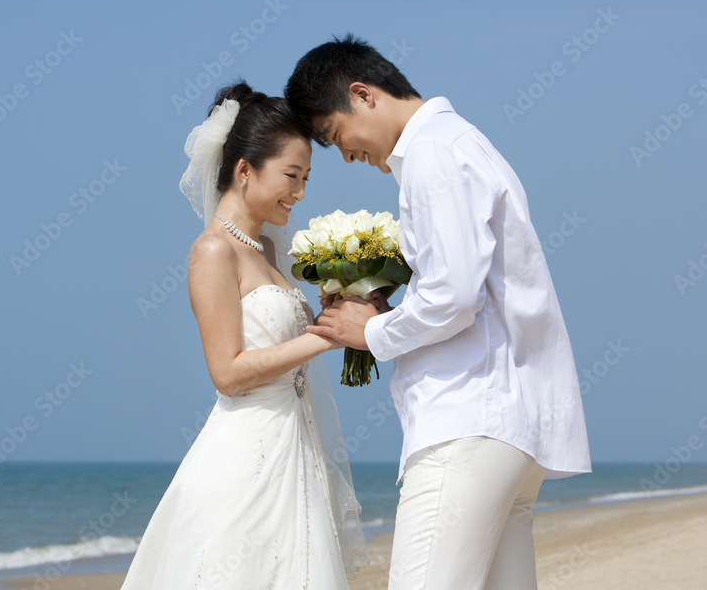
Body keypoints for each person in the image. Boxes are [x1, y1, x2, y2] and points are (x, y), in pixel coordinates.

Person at [285, 35, 591, 589]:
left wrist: (372, 329)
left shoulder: (431, 153)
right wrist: (387, 307)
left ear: (363, 94)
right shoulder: (465, 142)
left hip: (468, 422)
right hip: (514, 429)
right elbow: (467, 290)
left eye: (336, 137)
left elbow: (453, 297)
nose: (349, 155)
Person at [121, 82, 368, 588]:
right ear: (244, 170)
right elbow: (227, 373)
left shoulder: (267, 253)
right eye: (291, 176)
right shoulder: (213, 251)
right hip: (245, 458)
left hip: (295, 446)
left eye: (306, 179)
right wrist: (328, 336)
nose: (300, 193)